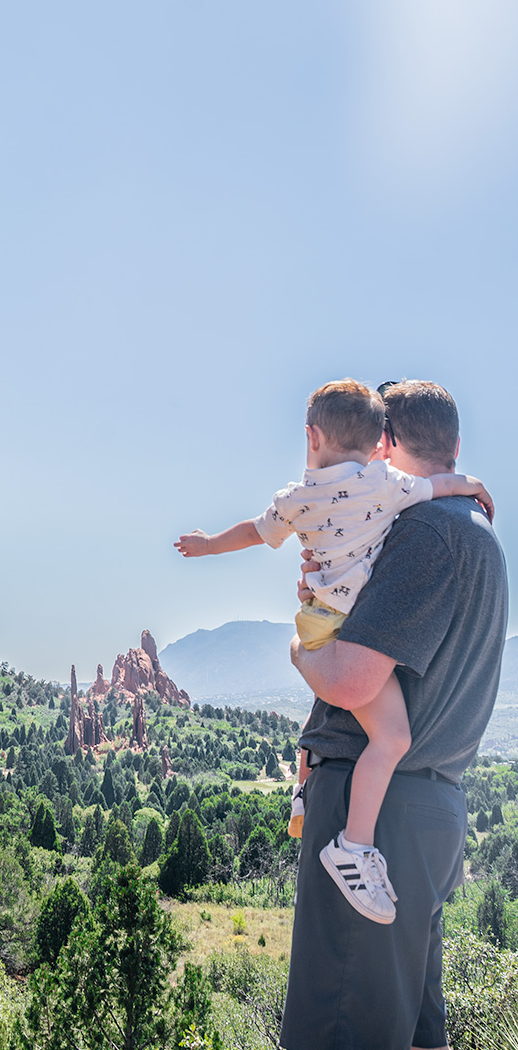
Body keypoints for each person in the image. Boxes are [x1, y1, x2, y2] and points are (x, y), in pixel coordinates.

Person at [280, 379, 506, 1050]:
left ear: (382, 447)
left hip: (378, 819)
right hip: (432, 812)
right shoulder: (478, 538)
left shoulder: (422, 538)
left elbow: (352, 678)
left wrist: (300, 644)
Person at [176, 378, 492, 921]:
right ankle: (345, 838)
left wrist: (207, 547)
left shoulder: (295, 499)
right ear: (377, 444)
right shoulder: (386, 486)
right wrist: (473, 484)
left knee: (368, 721)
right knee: (389, 736)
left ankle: (325, 817)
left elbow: (253, 532)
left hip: (321, 622)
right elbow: (438, 487)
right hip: (348, 629)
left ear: (311, 436)